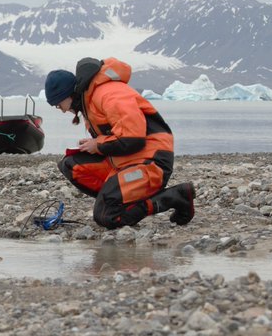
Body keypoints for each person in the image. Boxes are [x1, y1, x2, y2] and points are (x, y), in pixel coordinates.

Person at [46, 57, 195, 229]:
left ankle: (175, 197)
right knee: (71, 165)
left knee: (107, 216)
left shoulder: (109, 94)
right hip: (125, 160)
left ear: (67, 94)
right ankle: (118, 199)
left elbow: (133, 139)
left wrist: (99, 144)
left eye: (58, 105)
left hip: (151, 161)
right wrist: (96, 143)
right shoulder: (89, 100)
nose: (62, 110)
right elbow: (119, 136)